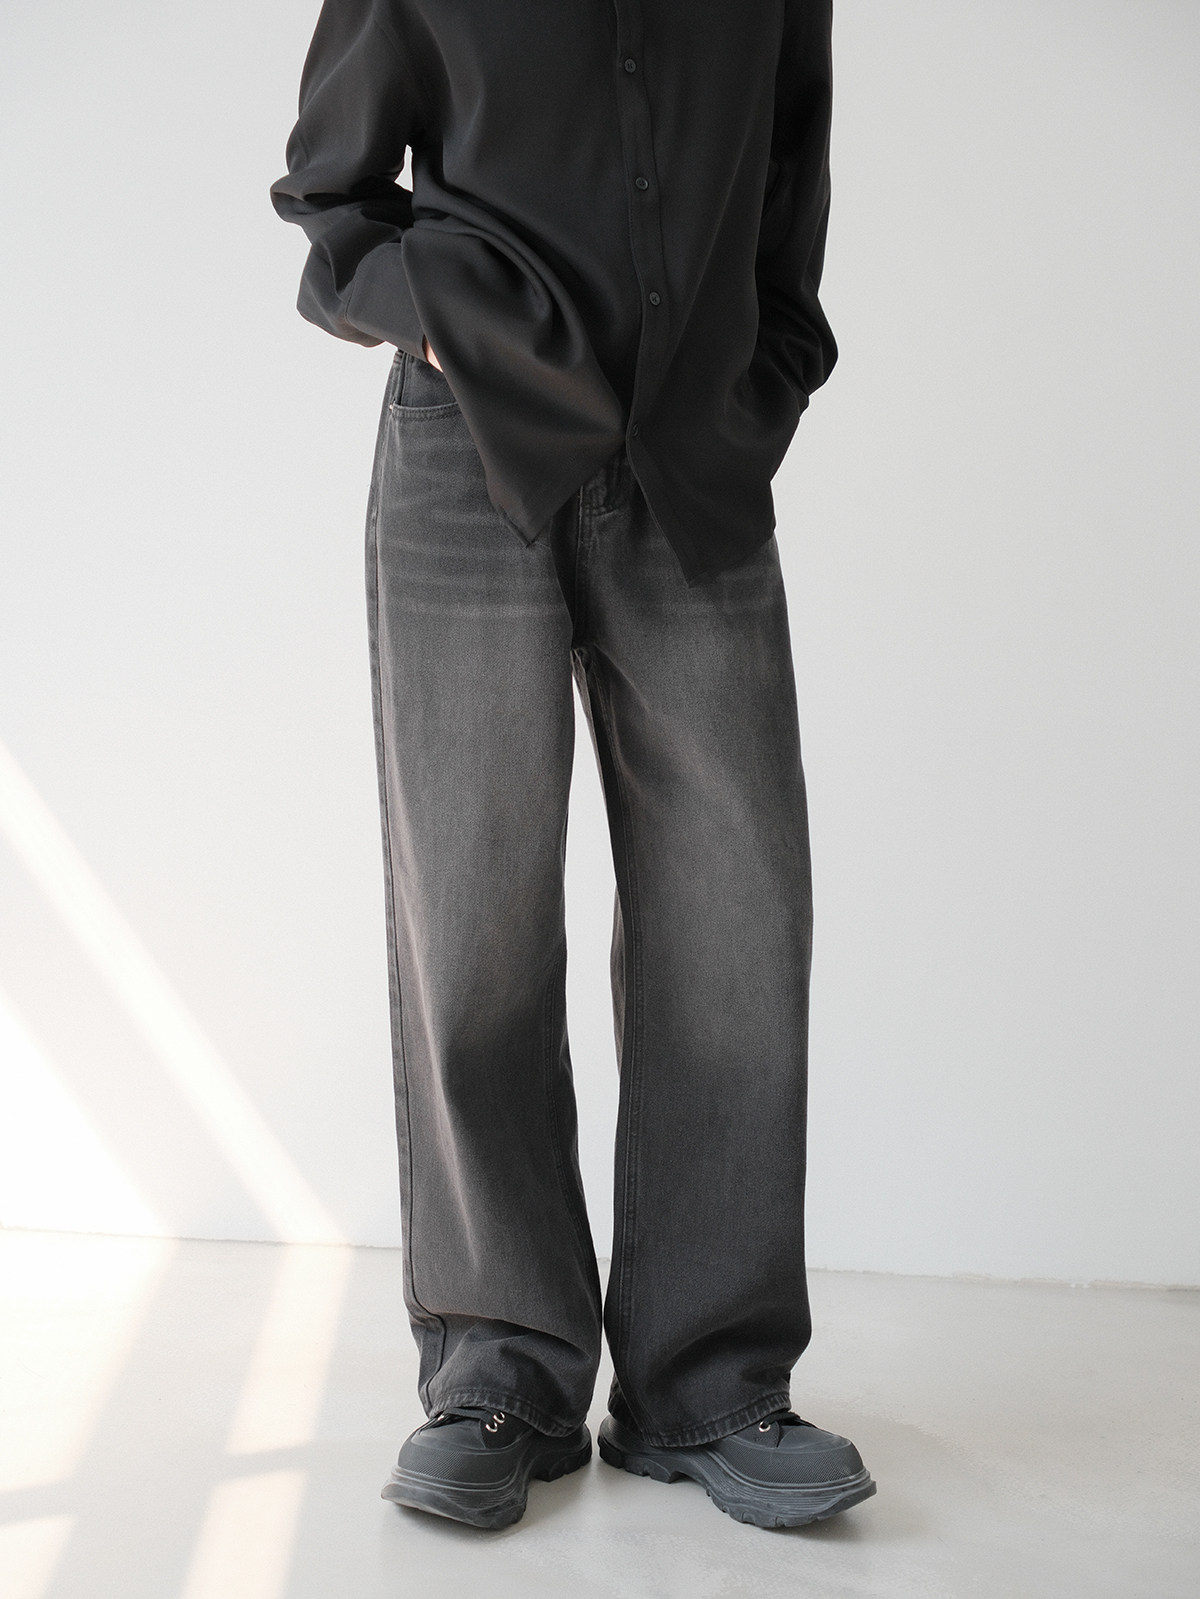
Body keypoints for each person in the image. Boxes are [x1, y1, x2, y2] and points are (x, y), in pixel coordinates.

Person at [270, 0, 876, 1532]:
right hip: (471, 452)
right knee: (472, 920)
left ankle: (709, 1385)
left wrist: (769, 373)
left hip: (695, 465)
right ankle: (500, 1370)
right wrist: (443, 325)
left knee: (735, 928)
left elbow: (790, 172)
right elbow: (333, 197)